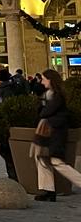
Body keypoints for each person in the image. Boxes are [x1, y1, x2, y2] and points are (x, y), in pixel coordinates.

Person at [33, 69, 81, 201]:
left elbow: (45, 113)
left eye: (43, 79)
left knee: (57, 162)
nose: (42, 82)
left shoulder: (57, 96)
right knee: (42, 159)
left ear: (50, 80)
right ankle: (48, 190)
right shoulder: (47, 95)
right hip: (49, 133)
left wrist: (42, 107)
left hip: (56, 133)